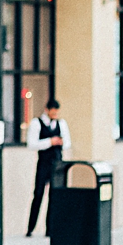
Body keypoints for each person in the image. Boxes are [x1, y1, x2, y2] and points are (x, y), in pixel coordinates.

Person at [26, 98, 71, 237]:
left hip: (57, 163)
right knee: (38, 194)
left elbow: (67, 142)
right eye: (53, 112)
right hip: (44, 163)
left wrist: (60, 142)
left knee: (54, 195)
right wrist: (50, 142)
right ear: (47, 110)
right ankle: (31, 227)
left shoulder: (61, 124)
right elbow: (32, 144)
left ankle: (50, 229)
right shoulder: (36, 123)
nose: (55, 115)